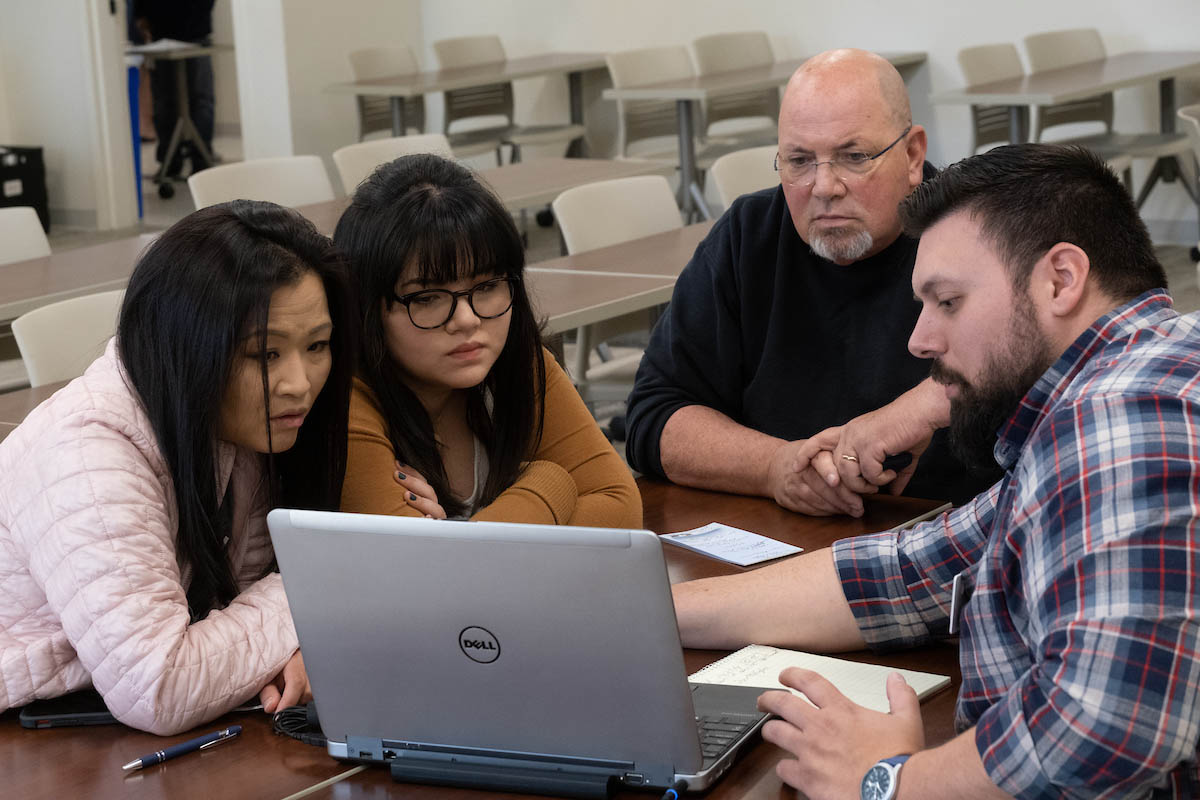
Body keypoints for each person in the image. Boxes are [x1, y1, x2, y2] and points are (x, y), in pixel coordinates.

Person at [674, 144, 1200, 799]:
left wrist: (889, 781)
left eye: (946, 302)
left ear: (1062, 279)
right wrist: (651, 613)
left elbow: (1104, 725)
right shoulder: (1115, 388)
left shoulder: (1121, 418)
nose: (920, 340)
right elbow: (910, 570)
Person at [0, 201, 356, 735]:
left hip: (92, 720)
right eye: (265, 355)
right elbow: (158, 686)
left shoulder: (230, 420)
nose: (299, 383)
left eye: (318, 346)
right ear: (188, 346)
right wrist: (321, 579)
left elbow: (236, 601)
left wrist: (291, 640)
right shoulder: (88, 453)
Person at [625, 49, 1000, 517]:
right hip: (778, 536)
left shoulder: (980, 234)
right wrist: (777, 467)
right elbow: (654, 416)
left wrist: (928, 401)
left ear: (912, 155)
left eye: (854, 156)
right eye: (799, 161)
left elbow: (1067, 364)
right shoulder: (749, 236)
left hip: (951, 532)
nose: (824, 186)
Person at [334, 154, 641, 526]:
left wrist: (459, 537)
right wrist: (550, 481)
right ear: (367, 306)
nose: (467, 319)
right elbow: (429, 577)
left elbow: (620, 508)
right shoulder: (347, 404)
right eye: (426, 298)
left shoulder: (518, 362)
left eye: (488, 286)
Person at [133, 0, 217, 175]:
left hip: (197, 31)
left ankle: (201, 159)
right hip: (162, 33)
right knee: (165, 102)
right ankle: (170, 162)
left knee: (201, 100)